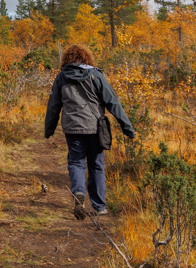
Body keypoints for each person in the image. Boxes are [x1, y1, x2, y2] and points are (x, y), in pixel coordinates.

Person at [43, 44, 135, 218]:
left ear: (67, 60)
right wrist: (127, 127)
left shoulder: (62, 77)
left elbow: (54, 105)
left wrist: (49, 129)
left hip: (72, 128)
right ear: (87, 58)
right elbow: (112, 102)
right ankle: (99, 206)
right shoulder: (96, 75)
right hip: (95, 128)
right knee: (96, 165)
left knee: (76, 162)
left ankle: (79, 193)